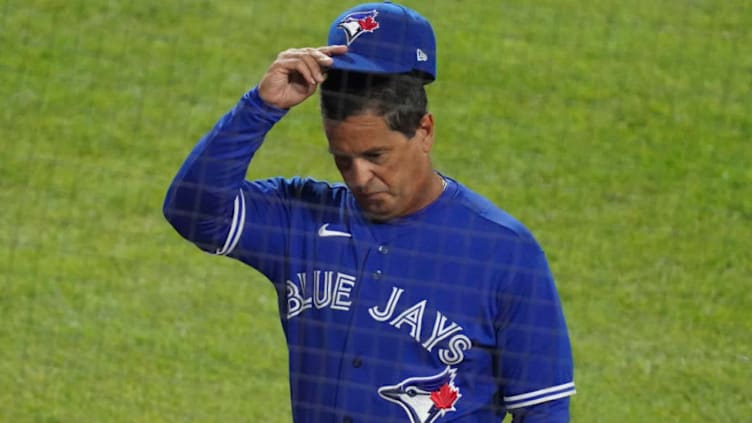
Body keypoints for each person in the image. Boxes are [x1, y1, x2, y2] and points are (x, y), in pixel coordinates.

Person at [163, 2, 575, 422]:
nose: (359, 178)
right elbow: (193, 213)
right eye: (343, 159)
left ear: (424, 131)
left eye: (376, 155)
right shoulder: (301, 221)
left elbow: (543, 409)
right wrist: (260, 107)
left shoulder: (502, 251)